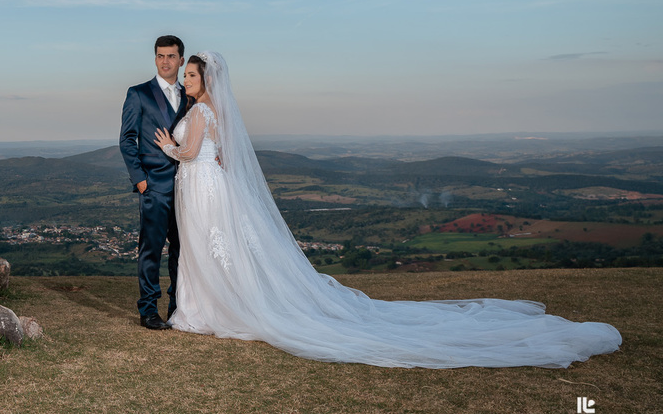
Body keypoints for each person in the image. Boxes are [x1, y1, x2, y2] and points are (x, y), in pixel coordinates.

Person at [152, 52, 622, 368]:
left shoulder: (203, 111)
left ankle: (205, 311)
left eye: (191, 75)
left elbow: (192, 154)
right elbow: (219, 155)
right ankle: (206, 307)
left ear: (204, 78)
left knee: (206, 249)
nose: (186, 79)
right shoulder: (214, 110)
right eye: (186, 75)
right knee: (210, 251)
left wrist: (167, 146)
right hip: (211, 186)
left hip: (202, 185)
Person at [120, 35, 187, 330]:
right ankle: (148, 310)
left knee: (182, 251)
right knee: (150, 250)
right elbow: (126, 141)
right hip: (154, 186)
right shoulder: (138, 94)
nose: (165, 61)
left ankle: (177, 308)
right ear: (155, 58)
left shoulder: (190, 95)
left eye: (171, 56)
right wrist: (141, 181)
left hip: (187, 187)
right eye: (160, 55)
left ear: (181, 60)